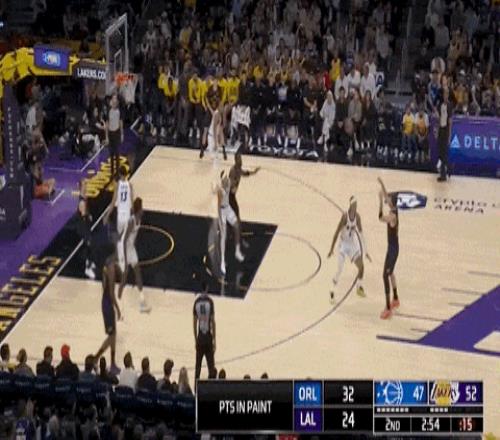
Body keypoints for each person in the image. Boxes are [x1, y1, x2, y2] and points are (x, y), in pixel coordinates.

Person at [327, 196, 371, 301]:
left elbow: (361, 234)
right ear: (350, 205)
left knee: (361, 267)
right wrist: (331, 249)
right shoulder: (344, 217)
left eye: (356, 204)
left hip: (352, 244)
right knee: (340, 269)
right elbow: (336, 232)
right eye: (354, 204)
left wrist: (366, 252)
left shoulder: (358, 217)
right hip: (343, 245)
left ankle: (359, 287)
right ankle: (332, 290)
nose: (355, 206)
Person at [117, 197, 150, 313]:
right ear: (139, 210)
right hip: (123, 248)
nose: (143, 210)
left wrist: (133, 248)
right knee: (124, 278)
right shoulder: (131, 221)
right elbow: (124, 239)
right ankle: (118, 304)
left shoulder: (138, 219)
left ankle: (142, 302)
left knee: (137, 272)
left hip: (130, 247)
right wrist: (125, 260)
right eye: (142, 208)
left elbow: (132, 237)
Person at [94, 246, 122, 376]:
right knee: (111, 336)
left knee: (113, 335)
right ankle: (96, 358)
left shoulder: (108, 265)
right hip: (108, 304)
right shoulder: (110, 268)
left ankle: (112, 363)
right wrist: (118, 308)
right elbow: (111, 292)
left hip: (106, 303)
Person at [377, 177, 400, 319]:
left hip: (392, 250)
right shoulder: (394, 210)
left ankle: (388, 307)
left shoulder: (392, 217)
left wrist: (380, 202)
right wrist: (382, 184)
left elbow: (380, 218)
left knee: (385, 275)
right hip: (394, 248)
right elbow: (386, 196)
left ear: (392, 203)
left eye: (389, 200)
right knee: (390, 272)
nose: (387, 200)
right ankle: (395, 298)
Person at [218, 171, 245, 275]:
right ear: (222, 181)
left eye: (227, 178)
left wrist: (239, 175)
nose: (227, 180)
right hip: (222, 211)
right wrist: (220, 221)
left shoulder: (229, 183)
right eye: (224, 179)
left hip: (228, 208)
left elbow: (235, 182)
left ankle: (237, 251)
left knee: (237, 226)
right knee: (223, 237)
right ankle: (222, 261)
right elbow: (218, 207)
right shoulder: (220, 191)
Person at [105, 165, 133, 249]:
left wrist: (107, 215)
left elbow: (113, 202)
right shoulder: (130, 185)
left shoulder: (118, 186)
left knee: (120, 238)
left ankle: (121, 254)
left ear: (120, 174)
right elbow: (132, 202)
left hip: (120, 214)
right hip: (127, 214)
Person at [228, 151, 260, 225]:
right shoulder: (233, 170)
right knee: (235, 211)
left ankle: (232, 226)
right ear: (236, 160)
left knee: (234, 212)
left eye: (241, 158)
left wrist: (254, 172)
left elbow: (245, 173)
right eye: (239, 159)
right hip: (229, 195)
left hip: (232, 194)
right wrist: (233, 186)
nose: (241, 160)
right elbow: (230, 181)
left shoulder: (238, 169)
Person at [193, 282, 216, 380]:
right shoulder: (210, 302)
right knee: (211, 366)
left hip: (200, 337)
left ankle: (196, 386)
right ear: (206, 289)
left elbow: (194, 323)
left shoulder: (196, 302)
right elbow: (213, 322)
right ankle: (212, 385)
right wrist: (214, 339)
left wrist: (196, 339)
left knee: (198, 366)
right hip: (208, 336)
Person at [77, 179, 96, 279]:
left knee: (90, 243)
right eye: (84, 185)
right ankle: (87, 269)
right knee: (88, 245)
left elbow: (86, 212)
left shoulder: (85, 197)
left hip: (87, 224)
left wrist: (89, 215)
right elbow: (83, 215)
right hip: (83, 226)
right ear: (80, 187)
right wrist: (87, 216)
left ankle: (90, 262)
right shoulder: (81, 202)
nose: (86, 187)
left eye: (86, 185)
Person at [105, 94, 123, 183]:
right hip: (111, 133)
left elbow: (120, 122)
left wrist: (122, 134)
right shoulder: (108, 111)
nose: (114, 100)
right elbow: (107, 124)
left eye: (115, 99)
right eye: (113, 99)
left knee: (117, 153)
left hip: (116, 133)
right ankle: (112, 172)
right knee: (111, 154)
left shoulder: (119, 111)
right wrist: (106, 136)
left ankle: (118, 173)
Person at [437, 89, 453, 181]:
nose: (445, 96)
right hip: (441, 129)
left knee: (444, 152)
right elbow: (440, 118)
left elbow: (450, 121)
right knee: (441, 152)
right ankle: (449, 168)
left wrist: (449, 135)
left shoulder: (449, 106)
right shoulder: (440, 105)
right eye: (444, 94)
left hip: (446, 130)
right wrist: (438, 131)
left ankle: (443, 175)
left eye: (447, 94)